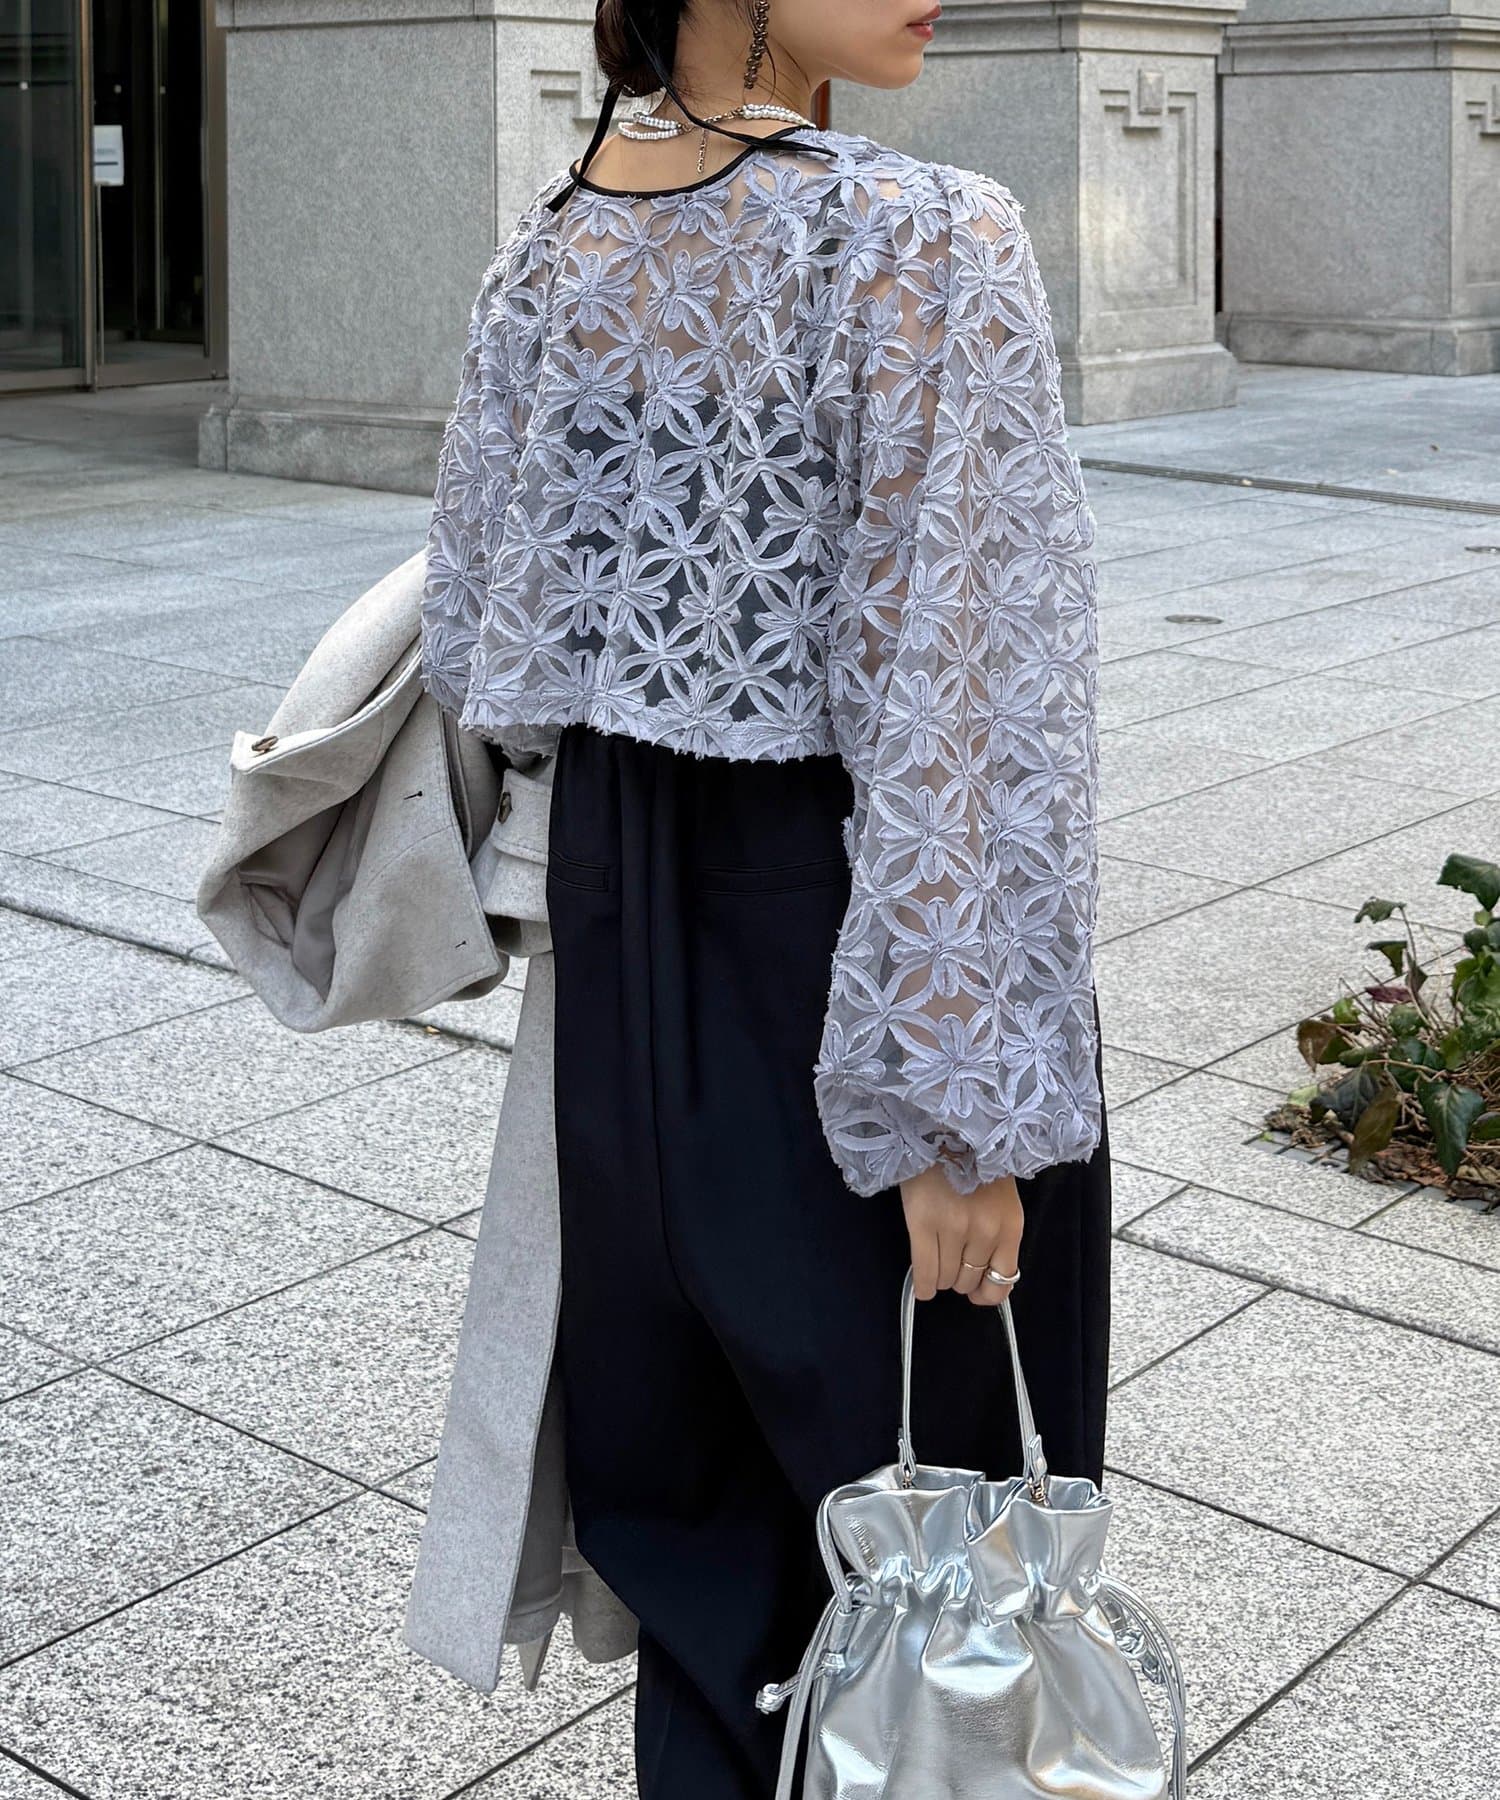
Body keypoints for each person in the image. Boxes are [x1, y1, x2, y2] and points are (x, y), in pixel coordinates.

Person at [417, 1, 1110, 1793]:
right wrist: (957, 1105)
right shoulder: (924, 233)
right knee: (937, 1555)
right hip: (854, 923)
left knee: (710, 1551)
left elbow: (481, 640)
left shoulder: (553, 244)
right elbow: (964, 686)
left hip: (623, 941)